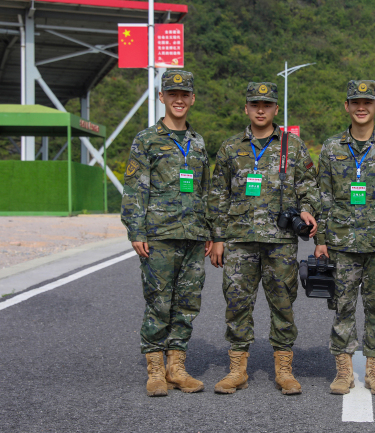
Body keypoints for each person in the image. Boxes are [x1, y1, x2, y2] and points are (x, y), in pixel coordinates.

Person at [208, 82, 320, 395]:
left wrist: (309, 209)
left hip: (281, 241)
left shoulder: (292, 147)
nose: (260, 109)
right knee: (237, 303)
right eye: (255, 104)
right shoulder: (231, 148)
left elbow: (309, 187)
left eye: (267, 104)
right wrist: (217, 237)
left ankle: (284, 370)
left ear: (274, 109)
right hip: (239, 241)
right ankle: (237, 370)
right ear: (246, 107)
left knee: (283, 304)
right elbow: (217, 194)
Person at [315, 80, 375, 396]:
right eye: (355, 101)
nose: (361, 107)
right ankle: (344, 371)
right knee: (341, 307)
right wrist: (321, 240)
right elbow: (323, 196)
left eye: (367, 102)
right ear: (347, 106)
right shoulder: (331, 148)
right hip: (341, 245)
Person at [121, 70, 212, 397]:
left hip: (193, 236)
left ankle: (177, 366)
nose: (178, 99)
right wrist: (136, 229)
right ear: (162, 97)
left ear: (191, 99)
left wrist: (211, 232)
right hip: (159, 234)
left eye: (184, 94)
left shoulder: (198, 142)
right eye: (172, 94)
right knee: (159, 301)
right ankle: (155, 370)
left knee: (187, 303)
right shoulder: (146, 140)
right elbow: (134, 188)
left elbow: (205, 190)